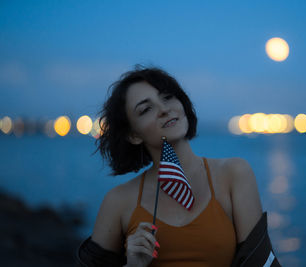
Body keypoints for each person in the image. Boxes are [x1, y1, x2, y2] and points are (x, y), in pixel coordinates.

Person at [76, 65, 281, 267]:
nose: (164, 109)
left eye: (168, 97)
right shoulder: (117, 202)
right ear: (133, 134)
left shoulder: (234, 174)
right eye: (146, 109)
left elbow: (258, 262)